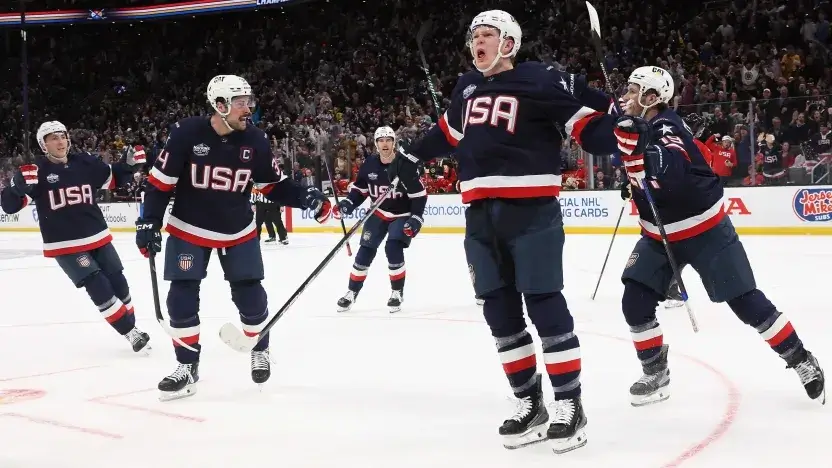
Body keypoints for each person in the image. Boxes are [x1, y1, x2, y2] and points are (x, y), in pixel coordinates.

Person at [388, 10, 625, 453]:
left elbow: (587, 129)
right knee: (498, 311)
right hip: (479, 216)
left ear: (509, 43)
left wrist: (619, 130)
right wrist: (411, 154)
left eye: (487, 35)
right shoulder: (465, 87)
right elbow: (449, 133)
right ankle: (528, 401)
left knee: (544, 303)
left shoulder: (539, 80)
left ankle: (569, 404)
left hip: (532, 212)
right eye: (474, 35)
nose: (477, 41)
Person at [615, 66, 825, 408]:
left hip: (705, 229)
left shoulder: (665, 126)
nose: (625, 94)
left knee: (746, 302)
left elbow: (674, 164)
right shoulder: (635, 124)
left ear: (651, 98)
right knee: (634, 300)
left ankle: (801, 358)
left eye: (633, 88)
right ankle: (655, 370)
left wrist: (645, 160)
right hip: (659, 233)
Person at [135, 75, 331, 401]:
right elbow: (160, 183)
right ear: (220, 105)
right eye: (241, 103)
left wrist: (305, 197)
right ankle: (187, 366)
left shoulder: (256, 140)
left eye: (248, 101)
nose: (248, 109)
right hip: (189, 227)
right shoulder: (186, 133)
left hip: (237, 229)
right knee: (181, 298)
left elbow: (272, 185)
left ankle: (259, 347)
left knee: (251, 296)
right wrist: (148, 223)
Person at [0, 121, 150, 352]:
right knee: (97, 284)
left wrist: (128, 165)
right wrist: (17, 186)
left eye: (62, 136)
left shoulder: (84, 162)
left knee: (118, 281)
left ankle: (131, 325)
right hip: (65, 245)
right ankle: (130, 331)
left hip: (98, 235)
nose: (60, 141)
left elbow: (115, 178)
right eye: (53, 138)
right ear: (43, 144)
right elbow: (9, 205)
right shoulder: (35, 172)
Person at [334, 126, 427, 313]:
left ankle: (396, 292)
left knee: (392, 247)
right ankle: (351, 292)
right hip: (378, 212)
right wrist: (347, 205)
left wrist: (416, 218)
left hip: (401, 214)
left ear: (394, 143)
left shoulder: (405, 165)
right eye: (381, 140)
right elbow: (360, 190)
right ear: (376, 144)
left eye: (388, 140)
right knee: (365, 252)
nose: (385, 143)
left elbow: (419, 195)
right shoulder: (369, 164)